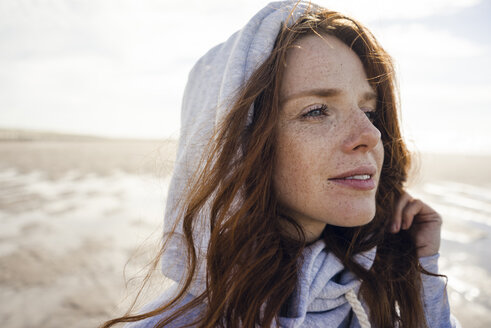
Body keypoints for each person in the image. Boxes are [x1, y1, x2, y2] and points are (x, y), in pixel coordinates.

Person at [102, 1, 460, 327]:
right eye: (317, 111)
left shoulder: (381, 297)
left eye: (368, 110)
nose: (369, 134)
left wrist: (421, 276)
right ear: (239, 145)